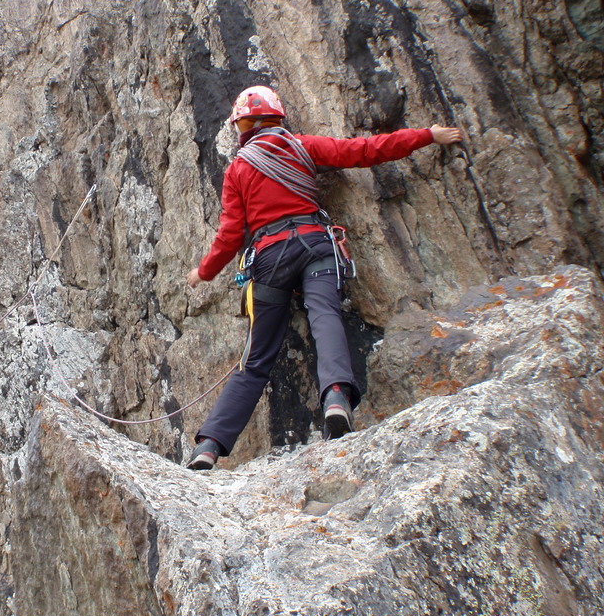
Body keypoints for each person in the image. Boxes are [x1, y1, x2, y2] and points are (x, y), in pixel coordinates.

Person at [186, 85, 463, 470]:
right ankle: (335, 398)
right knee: (325, 317)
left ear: (243, 126)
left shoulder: (238, 169)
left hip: (270, 259)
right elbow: (365, 150)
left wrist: (203, 272)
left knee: (256, 360)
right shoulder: (303, 147)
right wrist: (427, 135)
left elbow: (231, 235)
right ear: (277, 118)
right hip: (315, 244)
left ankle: (209, 446)